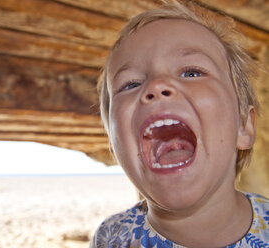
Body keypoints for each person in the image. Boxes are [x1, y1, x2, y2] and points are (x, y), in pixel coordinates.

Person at [90, 1, 269, 247]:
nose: (156, 86)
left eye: (192, 72)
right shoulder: (111, 237)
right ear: (114, 141)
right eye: (130, 84)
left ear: (243, 126)